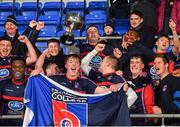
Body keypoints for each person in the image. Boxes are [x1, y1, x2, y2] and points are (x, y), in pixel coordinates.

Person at [32, 54, 119, 94]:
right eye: (71, 62)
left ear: (79, 66)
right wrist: (35, 74)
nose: (74, 64)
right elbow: (40, 81)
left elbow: (99, 91)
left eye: (76, 63)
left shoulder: (85, 81)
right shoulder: (56, 79)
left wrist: (111, 89)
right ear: (66, 65)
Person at [124, 55, 154, 125]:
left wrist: (125, 83)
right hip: (129, 121)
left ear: (142, 66)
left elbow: (143, 80)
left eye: (137, 62)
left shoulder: (146, 78)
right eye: (132, 62)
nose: (134, 65)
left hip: (145, 121)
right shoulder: (126, 80)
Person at [153, 54, 180, 125]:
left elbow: (178, 102)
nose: (156, 65)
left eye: (159, 62)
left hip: (174, 123)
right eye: (154, 63)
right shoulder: (157, 86)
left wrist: (162, 111)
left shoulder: (176, 80)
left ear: (166, 65)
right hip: (161, 123)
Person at [0, 57, 28, 126]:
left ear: (25, 69)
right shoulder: (3, 84)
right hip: (5, 123)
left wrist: (28, 113)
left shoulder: (31, 85)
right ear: (11, 69)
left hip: (24, 124)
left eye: (21, 67)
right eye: (14, 67)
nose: (17, 69)